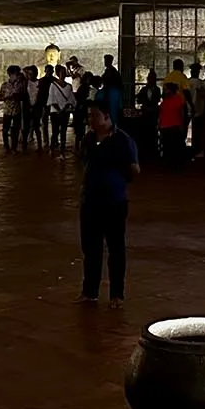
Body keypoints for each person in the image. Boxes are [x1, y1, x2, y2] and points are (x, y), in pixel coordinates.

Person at [79, 102, 138, 304]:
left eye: (95, 116)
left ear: (106, 117)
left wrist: (117, 178)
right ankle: (90, 292)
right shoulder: (88, 139)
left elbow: (134, 169)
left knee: (115, 248)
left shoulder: (122, 140)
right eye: (89, 116)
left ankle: (116, 294)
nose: (91, 120)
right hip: (90, 201)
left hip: (114, 201)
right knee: (91, 248)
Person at [42, 66, 72, 153]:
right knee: (55, 131)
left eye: (64, 72)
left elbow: (71, 99)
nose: (63, 74)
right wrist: (59, 109)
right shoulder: (53, 85)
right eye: (61, 72)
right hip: (55, 112)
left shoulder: (68, 86)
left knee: (63, 131)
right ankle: (52, 147)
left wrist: (66, 107)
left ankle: (62, 149)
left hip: (65, 112)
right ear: (58, 74)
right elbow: (51, 99)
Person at [156, 83, 186, 164]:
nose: (165, 91)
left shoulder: (177, 99)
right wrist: (159, 124)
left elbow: (181, 113)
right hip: (166, 126)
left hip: (174, 126)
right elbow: (161, 114)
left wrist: (182, 125)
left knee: (173, 146)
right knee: (167, 146)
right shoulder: (165, 101)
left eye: (166, 89)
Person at [137, 71, 162, 160]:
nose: (151, 80)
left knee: (153, 134)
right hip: (146, 115)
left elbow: (157, 99)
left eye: (153, 78)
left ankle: (153, 152)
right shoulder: (144, 89)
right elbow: (139, 99)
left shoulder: (157, 89)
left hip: (153, 114)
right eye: (150, 78)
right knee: (145, 133)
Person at [0, 65, 24, 152]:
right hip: (7, 110)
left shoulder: (20, 85)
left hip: (16, 110)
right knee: (5, 129)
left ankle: (14, 147)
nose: (17, 76)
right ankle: (6, 147)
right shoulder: (5, 85)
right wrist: (8, 97)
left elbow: (23, 96)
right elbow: (0, 97)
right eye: (16, 74)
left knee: (16, 130)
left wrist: (18, 96)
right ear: (11, 74)